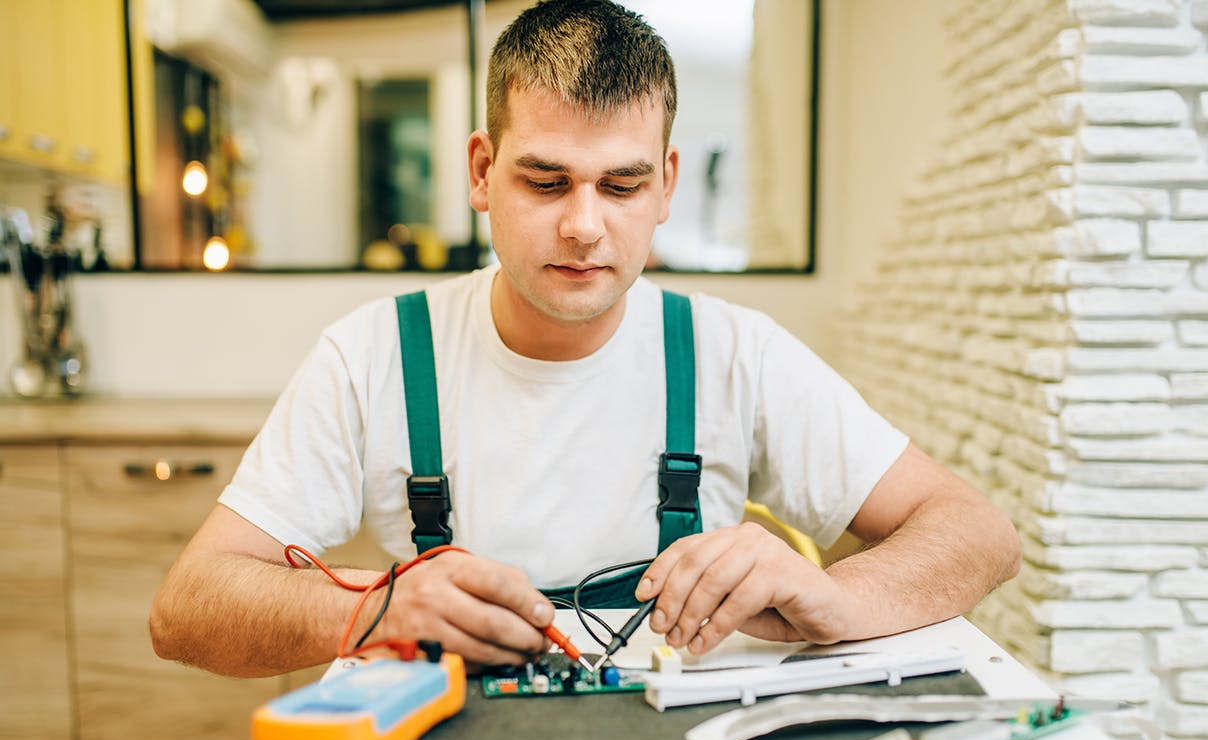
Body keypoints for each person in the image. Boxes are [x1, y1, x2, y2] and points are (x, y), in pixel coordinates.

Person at [150, 0, 1020, 678]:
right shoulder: (373, 355)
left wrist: (830, 595)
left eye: (622, 185)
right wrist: (372, 611)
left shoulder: (735, 353)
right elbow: (185, 607)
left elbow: (978, 532)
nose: (584, 226)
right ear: (483, 171)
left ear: (666, 185)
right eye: (547, 181)